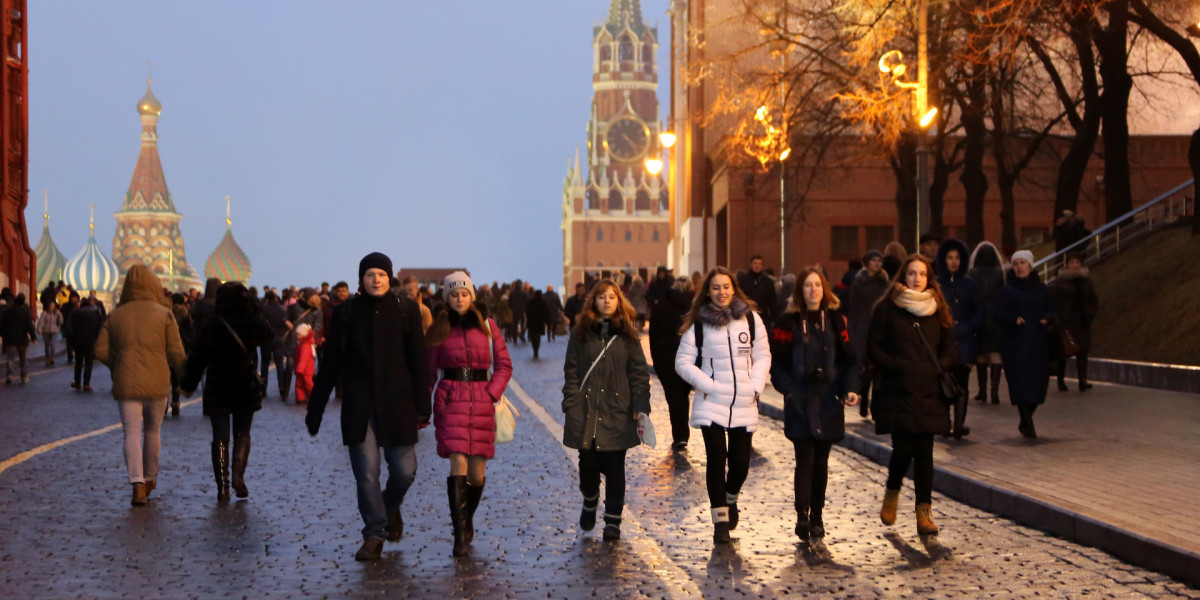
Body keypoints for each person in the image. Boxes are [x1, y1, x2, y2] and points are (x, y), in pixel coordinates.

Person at [305, 252, 430, 562]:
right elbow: (332, 361)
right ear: (361, 279)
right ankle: (374, 534)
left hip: (398, 403)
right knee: (367, 474)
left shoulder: (406, 310)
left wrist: (422, 403)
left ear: (390, 279)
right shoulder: (347, 313)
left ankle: (389, 507)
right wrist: (316, 408)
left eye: (382, 275)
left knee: (404, 471)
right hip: (360, 405)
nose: (376, 279)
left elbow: (419, 360)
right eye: (370, 274)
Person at [674, 267, 771, 544]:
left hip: (744, 400)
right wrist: (710, 386)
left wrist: (756, 385)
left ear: (734, 288)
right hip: (711, 402)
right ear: (708, 292)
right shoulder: (699, 325)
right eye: (716, 288)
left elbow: (762, 354)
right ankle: (720, 520)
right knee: (716, 457)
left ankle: (731, 498)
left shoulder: (750, 319)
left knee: (740, 463)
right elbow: (682, 362)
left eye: (726, 287)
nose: (722, 292)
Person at [425, 271, 513, 557]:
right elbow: (428, 371)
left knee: (476, 475)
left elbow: (503, 365)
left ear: (471, 296)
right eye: (453, 294)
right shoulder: (439, 328)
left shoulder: (487, 326)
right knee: (458, 464)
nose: (459, 298)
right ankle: (460, 535)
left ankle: (466, 519)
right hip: (451, 400)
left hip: (482, 400)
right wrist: (421, 404)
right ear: (446, 298)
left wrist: (491, 393)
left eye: (464, 293)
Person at [769, 267, 860, 541]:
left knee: (822, 462)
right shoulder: (788, 322)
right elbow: (778, 363)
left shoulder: (836, 321)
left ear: (824, 289)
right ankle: (802, 515)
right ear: (800, 291)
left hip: (829, 399)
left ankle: (818, 516)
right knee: (804, 460)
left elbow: (851, 359)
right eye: (807, 285)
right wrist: (790, 391)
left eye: (817, 285)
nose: (813, 290)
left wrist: (850, 388)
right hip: (801, 400)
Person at [867, 254, 955, 537]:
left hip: (929, 390)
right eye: (912, 274)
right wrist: (895, 365)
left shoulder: (937, 308)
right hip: (898, 389)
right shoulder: (888, 308)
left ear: (929, 278)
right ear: (903, 276)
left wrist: (940, 365)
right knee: (903, 448)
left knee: (925, 453)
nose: (917, 279)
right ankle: (892, 492)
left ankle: (924, 513)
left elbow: (950, 346)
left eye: (922, 274)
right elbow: (874, 345)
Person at [562, 279, 651, 541]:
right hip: (586, 410)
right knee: (588, 463)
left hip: (617, 410)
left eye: (612, 297)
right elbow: (572, 371)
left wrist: (640, 404)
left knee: (615, 466)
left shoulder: (628, 335)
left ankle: (613, 521)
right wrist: (571, 403)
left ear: (619, 301)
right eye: (602, 297)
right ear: (594, 301)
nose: (607, 301)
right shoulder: (580, 333)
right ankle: (590, 499)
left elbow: (638, 373)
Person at [94, 265, 187, 506]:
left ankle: (136, 484)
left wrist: (118, 364)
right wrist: (186, 379)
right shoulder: (164, 314)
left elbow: (100, 350)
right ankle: (150, 478)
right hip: (157, 381)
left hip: (126, 381)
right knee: (153, 431)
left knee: (131, 433)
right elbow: (176, 352)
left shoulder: (116, 315)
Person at [181, 282, 273, 503]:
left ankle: (222, 487)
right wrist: (253, 308)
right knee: (242, 433)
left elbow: (197, 358)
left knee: (219, 437)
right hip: (244, 384)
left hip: (217, 385)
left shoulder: (212, 325)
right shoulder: (250, 322)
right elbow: (269, 333)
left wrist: (188, 384)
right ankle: (238, 477)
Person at [995, 250, 1054, 438]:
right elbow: (998, 314)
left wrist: (1047, 318)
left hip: (1038, 344)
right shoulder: (1007, 290)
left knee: (1038, 384)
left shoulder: (1042, 289)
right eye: (1016, 263)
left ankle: (1025, 420)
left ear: (1030, 265)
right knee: (1020, 384)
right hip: (1015, 345)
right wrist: (1013, 319)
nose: (1019, 267)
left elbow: (1052, 310)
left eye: (1023, 263)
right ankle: (1028, 423)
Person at [936, 238, 984, 438]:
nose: (953, 261)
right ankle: (945, 422)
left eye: (957, 258)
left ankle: (959, 424)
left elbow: (980, 311)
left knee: (962, 382)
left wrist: (968, 327)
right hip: (943, 341)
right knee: (944, 380)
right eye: (949, 258)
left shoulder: (969, 284)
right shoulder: (937, 284)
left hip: (964, 341)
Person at [648, 276, 695, 451]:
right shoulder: (693, 307)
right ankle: (683, 434)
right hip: (688, 358)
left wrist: (656, 360)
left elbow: (653, 336)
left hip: (665, 358)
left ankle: (680, 435)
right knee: (683, 396)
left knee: (674, 397)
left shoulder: (661, 307)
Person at [848, 250, 890, 419]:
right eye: (873, 260)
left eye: (879, 261)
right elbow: (853, 308)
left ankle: (875, 406)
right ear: (866, 263)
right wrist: (853, 331)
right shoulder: (859, 282)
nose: (877, 264)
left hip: (879, 329)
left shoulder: (884, 282)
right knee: (866, 370)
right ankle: (864, 401)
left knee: (877, 371)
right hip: (862, 329)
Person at [1049, 252, 1099, 392]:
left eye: (1077, 262)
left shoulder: (1086, 282)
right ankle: (1061, 379)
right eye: (1072, 263)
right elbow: (1054, 302)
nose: (1074, 265)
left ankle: (1082, 380)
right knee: (1065, 350)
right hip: (1066, 322)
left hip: (1082, 321)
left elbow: (1093, 300)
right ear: (1067, 265)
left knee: (1082, 351)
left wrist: (1089, 314)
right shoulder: (1060, 282)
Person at [968, 242, 1007, 403]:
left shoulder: (972, 273)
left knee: (981, 355)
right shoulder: (1000, 274)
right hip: (996, 318)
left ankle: (982, 391)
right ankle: (995, 392)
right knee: (996, 354)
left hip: (980, 316)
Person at [288, 289, 323, 404]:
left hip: (309, 342)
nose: (315, 299)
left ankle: (309, 396)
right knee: (290, 367)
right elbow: (286, 317)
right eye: (312, 296)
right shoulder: (295, 307)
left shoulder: (317, 310)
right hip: (293, 341)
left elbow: (317, 326)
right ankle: (290, 393)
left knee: (306, 374)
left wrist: (309, 336)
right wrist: (286, 322)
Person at [69, 296, 105, 391]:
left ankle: (77, 382)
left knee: (78, 362)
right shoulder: (96, 315)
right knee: (89, 363)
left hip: (78, 341)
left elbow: (71, 328)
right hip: (90, 341)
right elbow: (100, 329)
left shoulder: (76, 314)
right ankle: (86, 383)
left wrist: (71, 341)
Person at [1, 293, 37, 383]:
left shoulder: (8, 312)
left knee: (10, 358)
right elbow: (29, 326)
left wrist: (3, 335)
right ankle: (23, 375)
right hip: (22, 339)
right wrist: (33, 337)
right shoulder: (25, 312)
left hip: (10, 339)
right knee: (23, 358)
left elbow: (2, 324)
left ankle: (9, 375)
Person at [169, 293, 194, 416]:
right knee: (175, 378)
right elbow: (190, 333)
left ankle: (162, 404)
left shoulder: (167, 314)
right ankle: (175, 403)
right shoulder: (185, 314)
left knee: (164, 377)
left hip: (166, 349)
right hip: (180, 349)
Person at [737, 255, 776, 329]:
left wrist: (773, 319)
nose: (757, 266)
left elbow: (773, 300)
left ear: (762, 266)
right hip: (746, 315)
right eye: (755, 263)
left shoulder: (768, 282)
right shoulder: (742, 280)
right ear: (751, 264)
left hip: (763, 316)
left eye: (759, 264)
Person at [36, 301, 63, 366]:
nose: (52, 307)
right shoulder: (44, 313)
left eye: (53, 306)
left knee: (52, 344)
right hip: (46, 331)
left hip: (54, 331)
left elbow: (60, 322)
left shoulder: (56, 313)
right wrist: (39, 330)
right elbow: (41, 322)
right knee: (47, 345)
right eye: (51, 305)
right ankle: (47, 358)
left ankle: (52, 357)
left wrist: (60, 315)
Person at [525, 289, 549, 359]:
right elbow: (546, 312)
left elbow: (527, 311)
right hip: (540, 322)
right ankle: (536, 350)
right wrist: (546, 320)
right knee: (538, 337)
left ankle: (535, 350)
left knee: (533, 337)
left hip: (532, 322)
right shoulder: (543, 302)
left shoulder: (531, 301)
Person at [61, 291, 79, 364]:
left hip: (77, 328)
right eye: (72, 297)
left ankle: (76, 356)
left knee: (77, 343)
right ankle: (70, 356)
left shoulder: (79, 305)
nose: (74, 298)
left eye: (75, 297)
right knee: (69, 343)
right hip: (68, 326)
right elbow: (62, 315)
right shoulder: (65, 305)